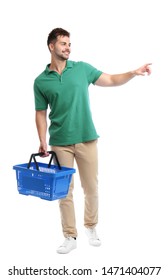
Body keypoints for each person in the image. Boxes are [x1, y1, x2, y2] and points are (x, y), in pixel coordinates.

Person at [33, 27, 152, 254]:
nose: (68, 47)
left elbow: (110, 79)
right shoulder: (41, 81)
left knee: (91, 188)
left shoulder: (82, 69)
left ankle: (91, 227)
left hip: (87, 138)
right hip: (59, 142)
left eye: (69, 43)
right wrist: (42, 140)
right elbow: (40, 112)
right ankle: (70, 236)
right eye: (63, 43)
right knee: (64, 192)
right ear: (51, 46)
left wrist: (132, 73)